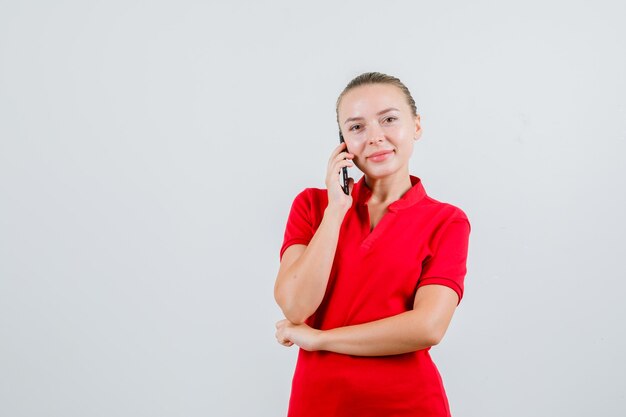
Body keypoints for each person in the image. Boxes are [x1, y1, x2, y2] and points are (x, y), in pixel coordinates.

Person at [274, 72, 471, 417]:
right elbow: (295, 307)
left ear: (416, 126)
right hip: (318, 404)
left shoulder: (447, 221)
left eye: (389, 120)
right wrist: (336, 211)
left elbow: (427, 327)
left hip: (409, 404)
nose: (375, 137)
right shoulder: (312, 206)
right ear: (342, 143)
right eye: (357, 127)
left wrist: (321, 339)